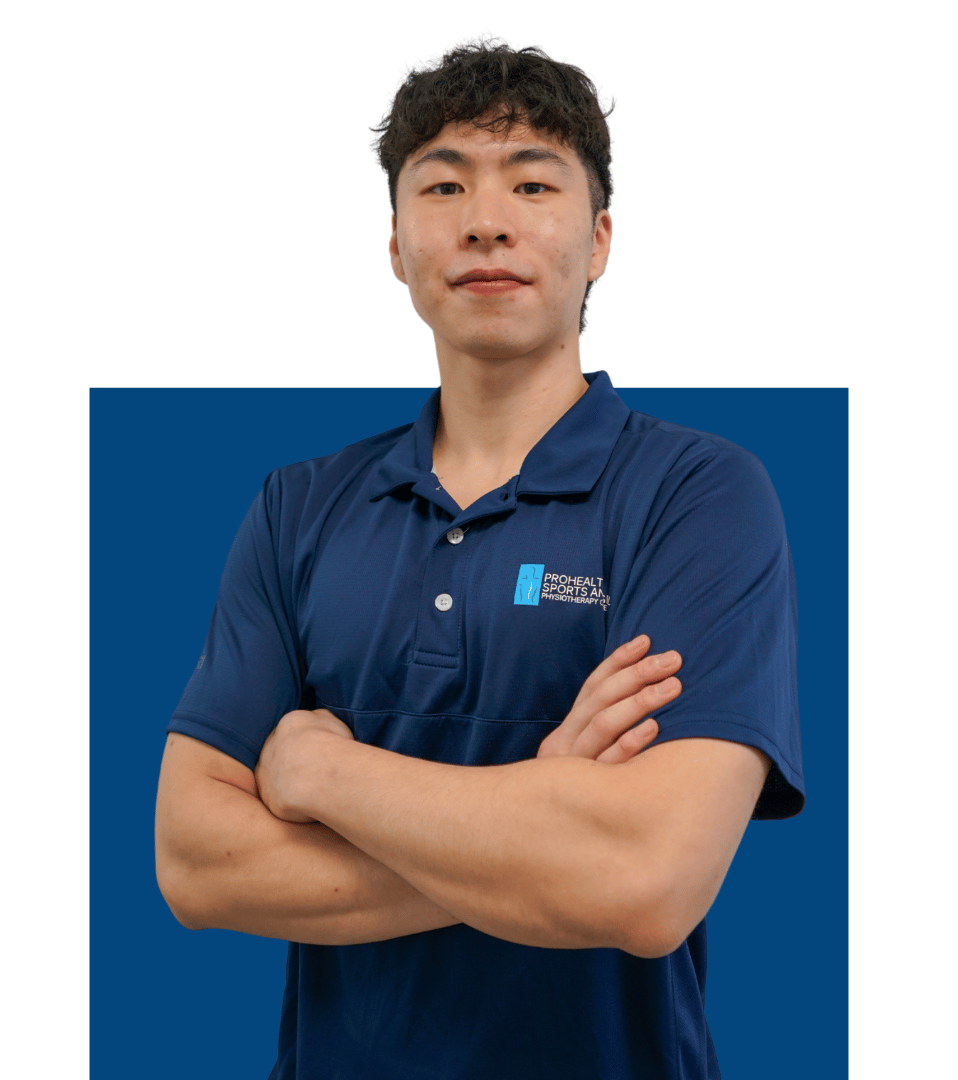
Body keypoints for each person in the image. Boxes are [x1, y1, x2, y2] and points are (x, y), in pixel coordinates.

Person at [154, 38, 804, 1080]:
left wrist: (325, 771)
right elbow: (195, 862)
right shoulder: (298, 509)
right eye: (444, 184)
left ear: (598, 242)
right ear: (399, 244)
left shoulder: (700, 496)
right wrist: (543, 813)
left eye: (533, 183)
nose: (487, 218)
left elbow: (643, 882)